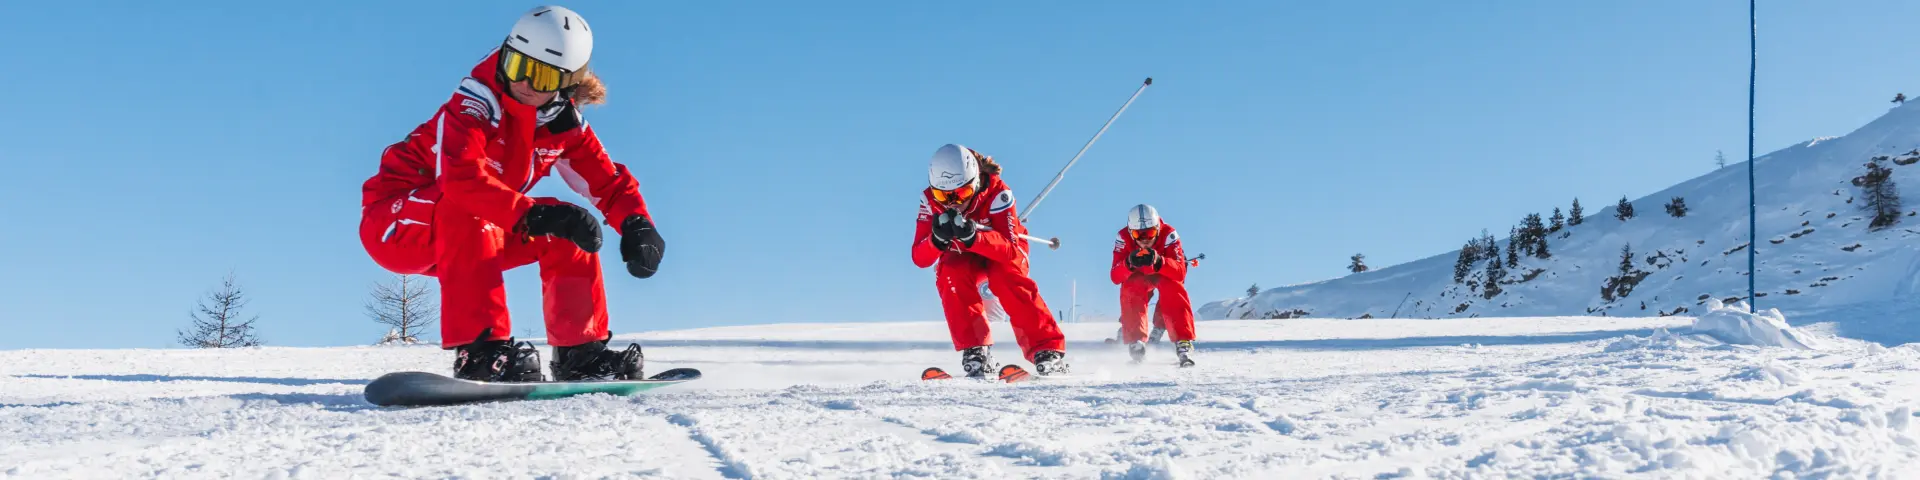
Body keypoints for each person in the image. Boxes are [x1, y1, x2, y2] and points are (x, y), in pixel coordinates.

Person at [358, 6, 665, 382]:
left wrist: (637, 225)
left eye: (542, 75)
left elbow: (606, 183)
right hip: (396, 221)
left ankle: (580, 353)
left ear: (566, 83)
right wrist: (531, 214)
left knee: (568, 228)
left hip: (476, 234)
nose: (526, 82)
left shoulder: (563, 127)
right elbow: (461, 179)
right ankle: (481, 352)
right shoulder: (474, 102)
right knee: (470, 207)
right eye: (518, 65)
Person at [913, 144, 1069, 378]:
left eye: (962, 193)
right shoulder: (929, 202)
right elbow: (920, 258)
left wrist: (974, 236)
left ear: (975, 182)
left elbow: (1008, 250)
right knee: (951, 273)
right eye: (942, 195)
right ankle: (977, 352)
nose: (953, 202)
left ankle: (1047, 350)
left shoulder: (998, 193)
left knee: (1005, 277)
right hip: (963, 256)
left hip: (1002, 249)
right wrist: (935, 241)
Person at [1109, 204, 1197, 367]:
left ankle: (1183, 340)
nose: (1145, 240)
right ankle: (1136, 340)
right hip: (1139, 275)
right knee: (1130, 287)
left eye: (1150, 233)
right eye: (1138, 234)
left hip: (1163, 272)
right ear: (1130, 232)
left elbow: (1180, 273)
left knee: (1173, 287)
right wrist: (1128, 263)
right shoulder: (1122, 238)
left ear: (1157, 228)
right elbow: (1115, 276)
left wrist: (1160, 262)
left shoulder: (1169, 234)